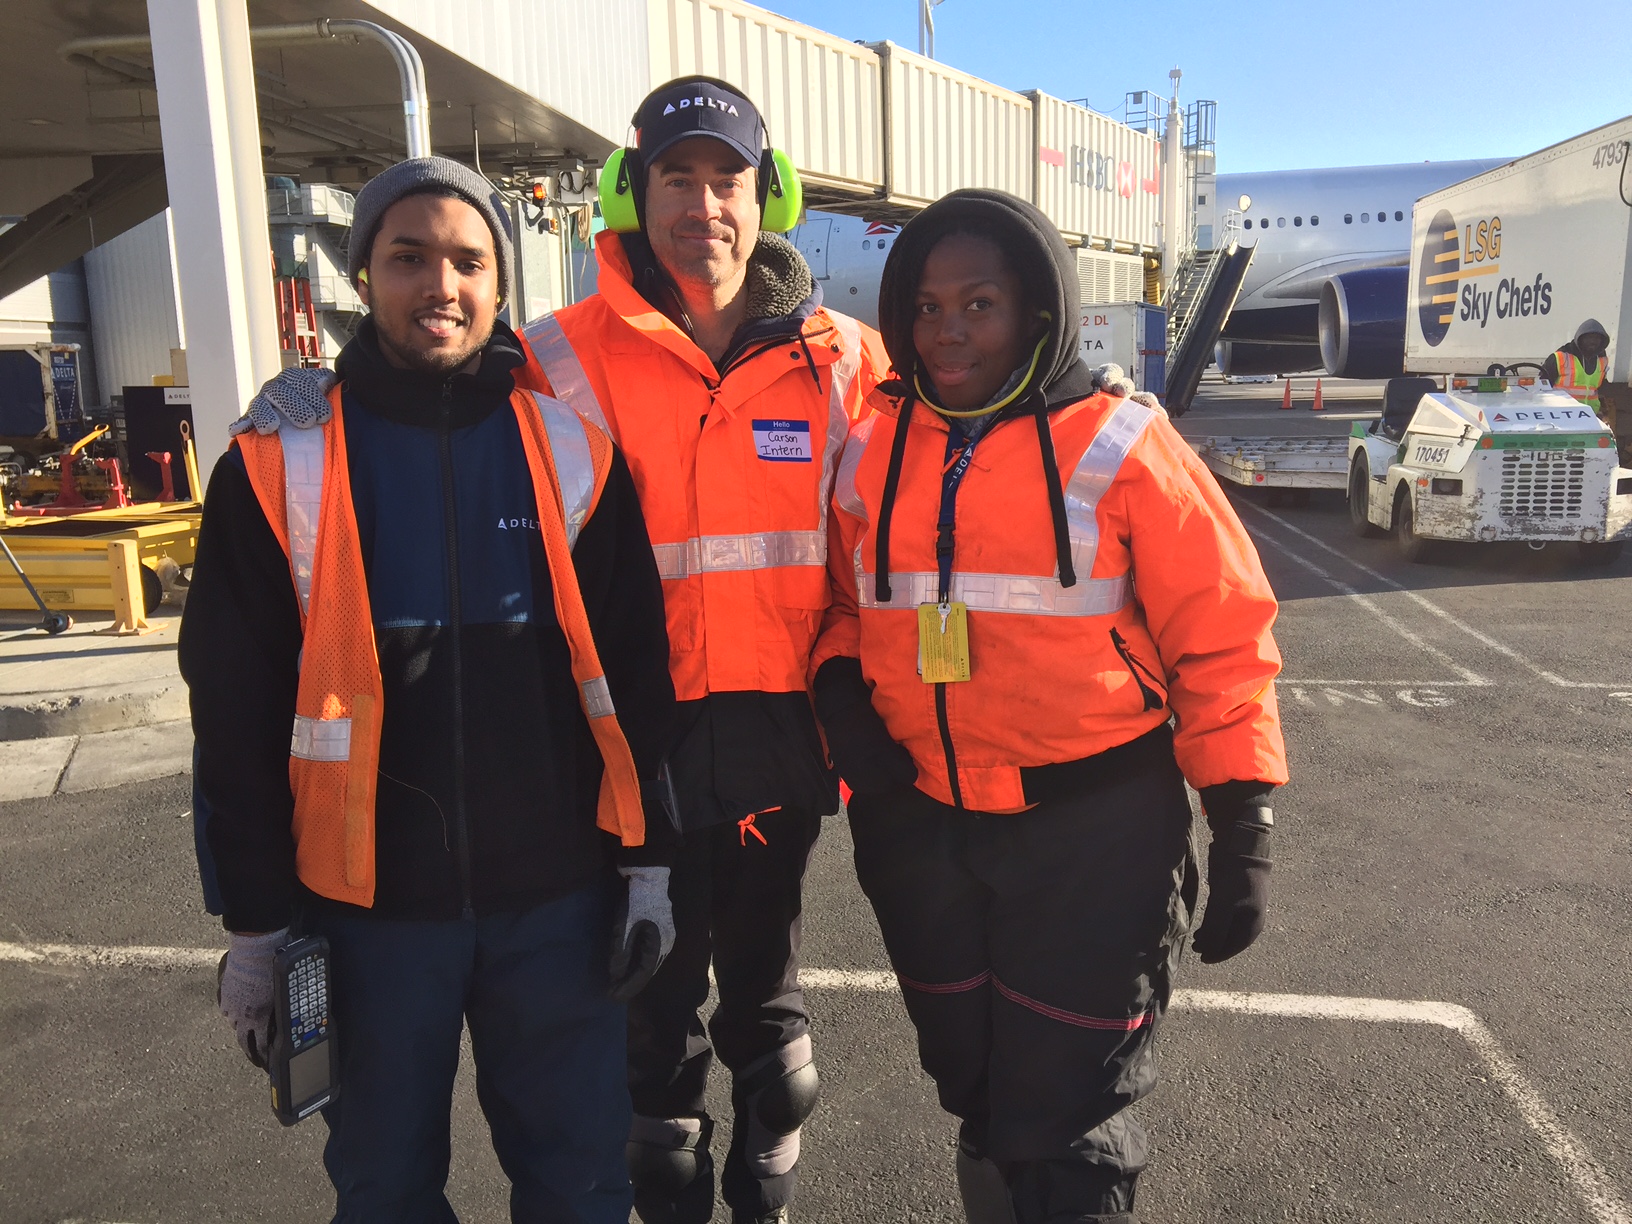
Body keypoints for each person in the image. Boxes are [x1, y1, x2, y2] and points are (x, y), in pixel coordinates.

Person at [181, 155, 678, 1222]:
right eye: (409, 258)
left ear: (503, 284)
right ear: (363, 273)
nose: (439, 286)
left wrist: (648, 865)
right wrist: (257, 923)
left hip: (557, 902)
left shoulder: (571, 449)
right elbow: (232, 708)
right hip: (364, 916)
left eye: (467, 260)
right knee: (385, 1191)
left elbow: (636, 675)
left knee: (582, 1185)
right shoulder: (279, 457)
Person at [810, 189, 1288, 1224]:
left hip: (1093, 834)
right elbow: (839, 604)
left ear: (1035, 310)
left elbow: (1223, 634)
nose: (947, 331)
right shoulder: (874, 443)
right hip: (922, 827)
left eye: (977, 303)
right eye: (929, 306)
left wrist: (1241, 808)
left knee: (1071, 1120)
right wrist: (851, 713)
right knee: (976, 1092)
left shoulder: (1121, 444)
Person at [513, 77, 890, 1224]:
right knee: (652, 1016)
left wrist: (1090, 386)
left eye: (726, 179)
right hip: (633, 742)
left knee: (771, 1028)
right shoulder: (554, 357)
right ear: (635, 190)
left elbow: (961, 449)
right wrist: (314, 399)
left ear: (763, 195)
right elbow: (423, 401)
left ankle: (767, 1188)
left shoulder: (846, 361)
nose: (703, 206)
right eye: (676, 178)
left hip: (781, 739)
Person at [1541, 319, 1611, 418]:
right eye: (1589, 338)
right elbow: (1542, 388)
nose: (1593, 341)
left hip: (1590, 416)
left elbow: (1599, 388)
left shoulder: (1602, 360)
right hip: (1562, 415)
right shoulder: (1560, 357)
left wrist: (1601, 411)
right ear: (1580, 338)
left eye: (1597, 338)